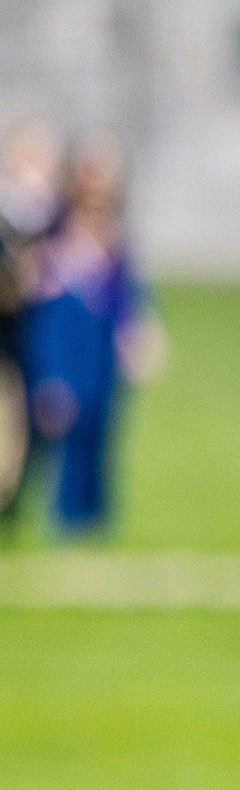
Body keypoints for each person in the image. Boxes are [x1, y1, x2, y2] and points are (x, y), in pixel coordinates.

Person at [14, 136, 162, 537]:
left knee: (98, 432)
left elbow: (126, 297)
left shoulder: (115, 240)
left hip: (98, 351)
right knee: (49, 424)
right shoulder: (53, 234)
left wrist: (138, 334)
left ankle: (86, 520)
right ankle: (31, 511)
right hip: (59, 346)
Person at [0, 119, 66, 522]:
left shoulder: (56, 216)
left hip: (37, 334)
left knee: (29, 420)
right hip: (6, 327)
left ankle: (13, 502)